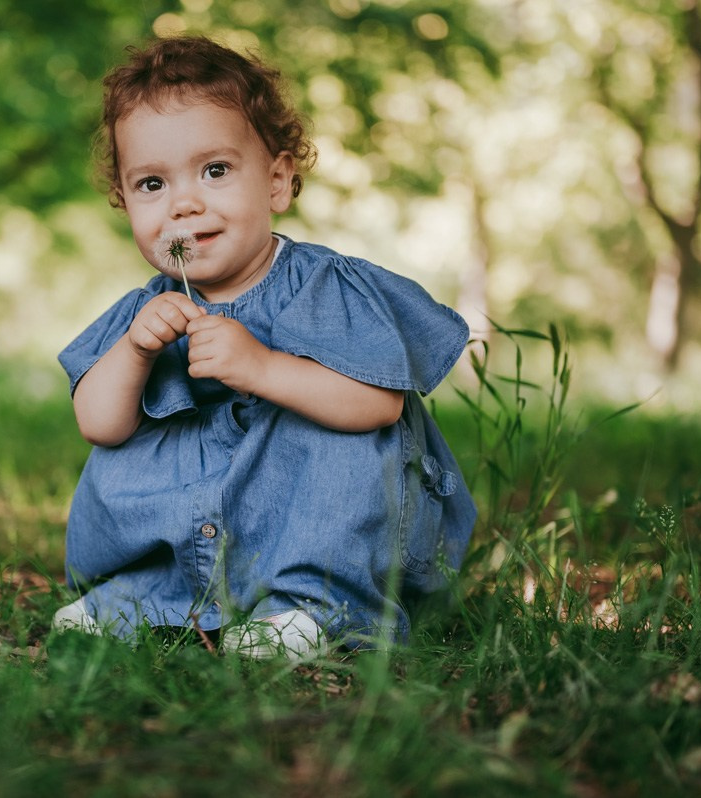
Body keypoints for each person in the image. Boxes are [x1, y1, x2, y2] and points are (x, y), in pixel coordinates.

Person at [53, 35, 476, 659]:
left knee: (329, 434)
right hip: (199, 537)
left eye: (215, 170)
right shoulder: (147, 311)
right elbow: (99, 425)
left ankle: (316, 607)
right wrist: (135, 354)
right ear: (123, 199)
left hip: (318, 533)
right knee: (138, 451)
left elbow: (380, 407)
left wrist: (263, 367)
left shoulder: (326, 287)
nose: (183, 203)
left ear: (277, 181)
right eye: (150, 184)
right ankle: (145, 597)